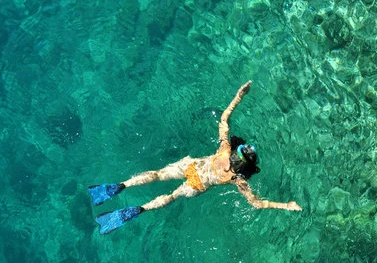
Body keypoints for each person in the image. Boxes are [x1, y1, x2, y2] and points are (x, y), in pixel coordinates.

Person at [88, 81, 302, 234]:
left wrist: (240, 95)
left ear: (238, 151)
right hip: (197, 184)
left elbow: (225, 117)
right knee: (171, 196)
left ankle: (121, 185)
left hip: (191, 166)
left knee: (157, 175)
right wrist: (286, 205)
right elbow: (256, 204)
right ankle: (140, 209)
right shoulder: (237, 179)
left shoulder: (224, 148)